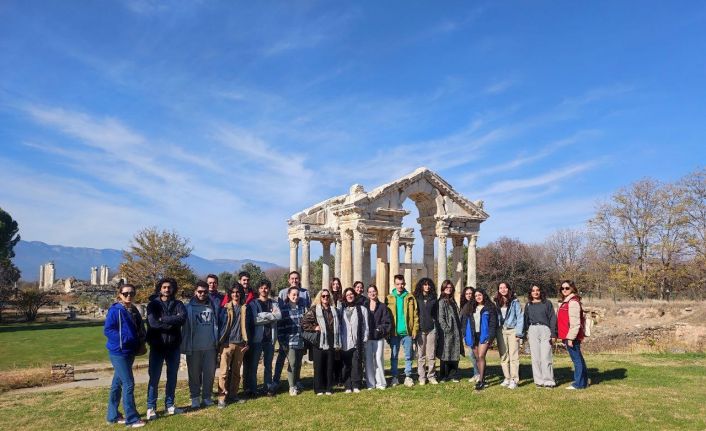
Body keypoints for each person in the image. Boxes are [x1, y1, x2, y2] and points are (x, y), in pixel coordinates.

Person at [104, 284, 146, 428]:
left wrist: (140, 340)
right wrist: (125, 339)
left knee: (117, 383)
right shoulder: (115, 310)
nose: (129, 296)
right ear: (120, 294)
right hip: (119, 352)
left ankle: (112, 416)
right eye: (125, 293)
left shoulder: (133, 309)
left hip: (130, 351)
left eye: (131, 293)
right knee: (128, 383)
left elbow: (139, 328)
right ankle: (132, 419)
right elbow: (108, 330)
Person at [146, 278, 186, 420]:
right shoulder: (153, 305)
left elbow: (182, 319)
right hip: (157, 346)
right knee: (154, 377)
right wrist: (172, 321)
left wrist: (163, 319)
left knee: (172, 377)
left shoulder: (178, 304)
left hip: (173, 346)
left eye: (169, 287)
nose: (167, 289)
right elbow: (153, 323)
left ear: (173, 289)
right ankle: (151, 407)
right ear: (160, 289)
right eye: (164, 287)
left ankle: (170, 405)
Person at [181, 280, 219, 408]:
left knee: (209, 374)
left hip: (210, 347)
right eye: (200, 291)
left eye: (205, 292)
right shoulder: (188, 307)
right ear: (195, 292)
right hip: (194, 347)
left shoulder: (212, 306)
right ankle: (195, 397)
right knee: (194, 375)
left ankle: (207, 397)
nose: (202, 294)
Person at [245, 279, 281, 397]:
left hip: (270, 339)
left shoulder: (274, 303)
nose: (264, 290)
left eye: (266, 288)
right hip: (257, 339)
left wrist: (264, 316)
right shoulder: (253, 304)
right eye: (261, 288)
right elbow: (255, 320)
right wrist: (271, 316)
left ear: (269, 289)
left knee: (268, 366)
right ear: (258, 289)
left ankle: (268, 387)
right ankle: (253, 389)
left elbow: (278, 316)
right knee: (254, 366)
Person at [302, 289, 341, 395]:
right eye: (323, 296)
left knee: (329, 366)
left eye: (327, 296)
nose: (325, 298)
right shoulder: (314, 310)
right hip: (318, 341)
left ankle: (329, 388)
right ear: (320, 297)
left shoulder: (334, 310)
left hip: (331, 341)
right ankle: (319, 389)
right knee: (318, 366)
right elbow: (304, 323)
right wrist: (314, 327)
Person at [216, 288, 249, 408]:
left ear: (241, 294)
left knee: (236, 372)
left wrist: (247, 342)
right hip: (227, 344)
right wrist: (220, 342)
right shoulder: (224, 308)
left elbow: (249, 326)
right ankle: (221, 398)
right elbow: (220, 325)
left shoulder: (245, 308)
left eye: (238, 292)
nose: (235, 294)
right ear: (230, 294)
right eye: (233, 292)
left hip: (240, 344)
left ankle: (233, 395)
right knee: (223, 372)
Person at [272, 287, 307, 396]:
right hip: (289, 341)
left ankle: (296, 382)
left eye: (297, 295)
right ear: (288, 295)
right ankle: (291, 387)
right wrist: (282, 341)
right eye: (293, 295)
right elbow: (280, 327)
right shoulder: (284, 309)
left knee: (298, 363)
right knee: (292, 363)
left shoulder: (302, 309)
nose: (295, 297)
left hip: (300, 340)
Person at [461, 287, 497, 390]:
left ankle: (481, 381)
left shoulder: (490, 307)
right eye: (476, 296)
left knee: (481, 356)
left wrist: (491, 337)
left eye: (480, 295)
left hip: (484, 335)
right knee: (477, 357)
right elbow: (465, 322)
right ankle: (482, 378)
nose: (478, 297)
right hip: (473, 335)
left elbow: (493, 323)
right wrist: (465, 335)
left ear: (484, 295)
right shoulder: (471, 307)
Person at [522, 284, 557, 388]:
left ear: (541, 291)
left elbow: (552, 318)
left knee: (546, 357)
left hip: (545, 330)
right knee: (535, 358)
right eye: (533, 291)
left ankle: (549, 381)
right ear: (530, 293)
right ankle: (539, 381)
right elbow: (525, 320)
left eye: (537, 290)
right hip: (533, 330)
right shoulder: (528, 305)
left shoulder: (547, 303)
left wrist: (553, 333)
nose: (535, 292)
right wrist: (524, 334)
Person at [386, 274, 418, 387]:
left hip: (407, 332)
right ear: (394, 284)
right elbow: (386, 316)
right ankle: (394, 377)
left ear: (405, 284)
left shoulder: (410, 297)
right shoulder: (389, 298)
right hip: (394, 333)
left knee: (409, 356)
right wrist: (387, 332)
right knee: (394, 356)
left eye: (402, 284)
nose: (400, 286)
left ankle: (408, 377)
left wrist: (415, 329)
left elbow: (415, 315)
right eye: (398, 284)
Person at [558, 280, 588, 390]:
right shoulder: (567, 301)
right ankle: (583, 382)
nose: (564, 290)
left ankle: (579, 384)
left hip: (572, 336)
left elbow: (575, 323)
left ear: (572, 288)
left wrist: (570, 338)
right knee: (578, 358)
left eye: (567, 288)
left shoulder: (573, 302)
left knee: (576, 359)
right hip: (568, 335)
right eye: (562, 288)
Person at [494, 282, 523, 390]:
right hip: (500, 330)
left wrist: (519, 333)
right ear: (498, 290)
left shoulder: (515, 302)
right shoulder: (496, 302)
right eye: (500, 288)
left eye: (505, 287)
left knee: (513, 356)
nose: (503, 289)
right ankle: (507, 378)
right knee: (504, 355)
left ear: (508, 289)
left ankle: (514, 380)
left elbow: (520, 317)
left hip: (512, 330)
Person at [339, 287, 369, 393]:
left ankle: (356, 385)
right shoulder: (341, 310)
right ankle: (347, 385)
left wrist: (364, 338)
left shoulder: (362, 309)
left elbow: (366, 325)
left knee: (356, 363)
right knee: (346, 365)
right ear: (345, 297)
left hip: (357, 341)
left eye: (351, 294)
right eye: (347, 295)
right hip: (344, 342)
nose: (350, 296)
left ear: (354, 295)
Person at [437, 280, 463, 383]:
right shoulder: (442, 301)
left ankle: (454, 375)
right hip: (447, 331)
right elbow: (441, 318)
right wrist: (447, 329)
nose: (449, 289)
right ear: (443, 289)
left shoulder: (452, 301)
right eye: (447, 287)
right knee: (446, 354)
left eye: (450, 287)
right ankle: (443, 375)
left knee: (455, 353)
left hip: (456, 330)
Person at [365, 284, 391, 390]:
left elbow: (387, 322)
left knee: (378, 359)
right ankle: (370, 384)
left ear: (377, 292)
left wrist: (379, 329)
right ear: (368, 294)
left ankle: (381, 383)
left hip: (378, 338)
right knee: (368, 361)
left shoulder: (382, 306)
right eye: (370, 292)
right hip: (367, 338)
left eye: (374, 291)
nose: (372, 293)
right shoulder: (364, 306)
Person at [414, 277, 438, 385]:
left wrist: (434, 323)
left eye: (429, 285)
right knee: (421, 355)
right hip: (420, 330)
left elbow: (436, 314)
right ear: (421, 286)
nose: (427, 287)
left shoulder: (433, 298)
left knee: (431, 354)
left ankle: (431, 376)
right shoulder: (416, 298)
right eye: (425, 284)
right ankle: (422, 377)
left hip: (431, 329)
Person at [459, 287, 480, 383]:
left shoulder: (475, 305)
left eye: (470, 293)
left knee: (476, 355)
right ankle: (476, 373)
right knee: (472, 355)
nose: (469, 295)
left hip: (474, 333)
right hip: (467, 333)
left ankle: (479, 374)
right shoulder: (464, 305)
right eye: (467, 293)